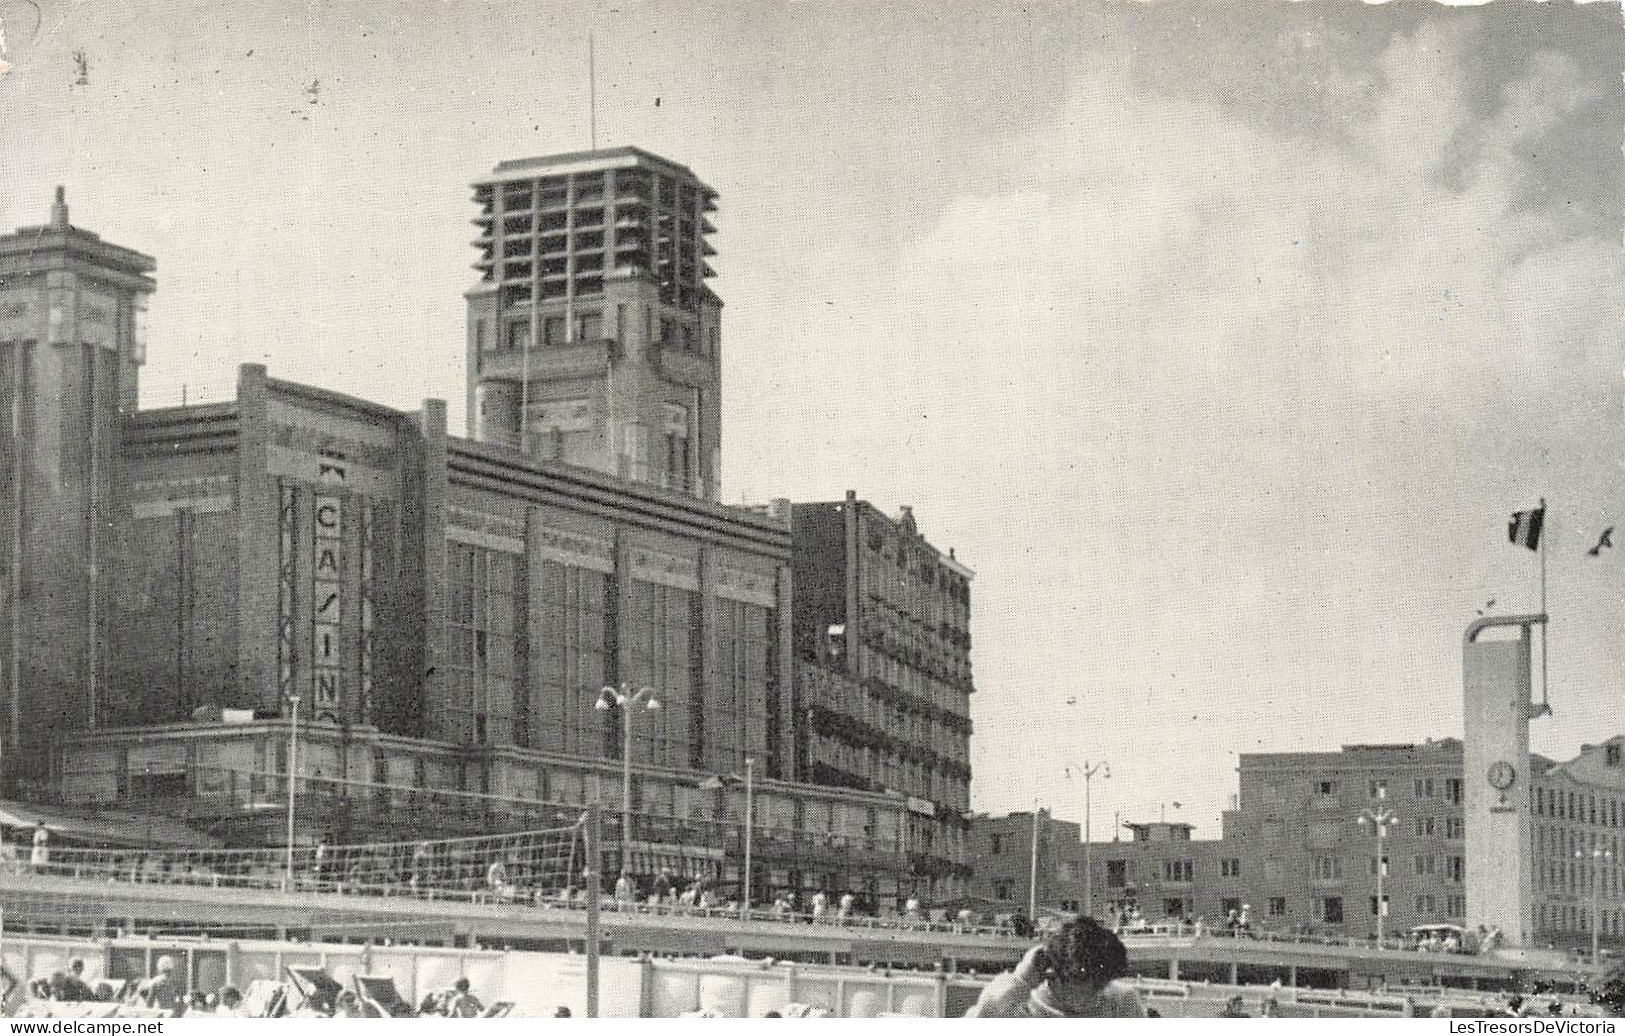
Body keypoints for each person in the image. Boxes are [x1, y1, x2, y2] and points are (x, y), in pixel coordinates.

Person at [964, 915, 1145, 1017]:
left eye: (1104, 982)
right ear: (1055, 978)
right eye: (1092, 983)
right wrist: (1020, 980)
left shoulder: (1123, 1001)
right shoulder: (1020, 1008)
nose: (1101, 990)